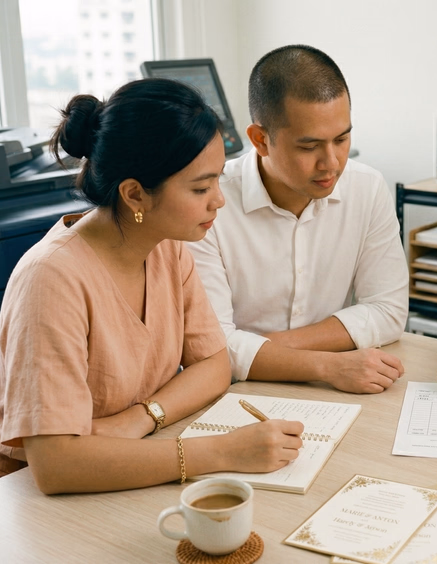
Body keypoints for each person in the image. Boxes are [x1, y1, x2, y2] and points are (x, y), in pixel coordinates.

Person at [0, 79, 304, 493]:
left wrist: (140, 418)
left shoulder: (166, 248)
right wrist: (221, 452)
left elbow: (214, 365)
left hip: (137, 459)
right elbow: (57, 465)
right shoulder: (51, 280)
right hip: (36, 498)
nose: (219, 200)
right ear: (134, 195)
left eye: (217, 180)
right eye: (200, 187)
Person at [188, 45, 409, 393]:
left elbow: (389, 311)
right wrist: (326, 364)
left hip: (329, 387)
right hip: (233, 392)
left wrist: (267, 347)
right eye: (309, 147)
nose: (332, 163)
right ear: (261, 140)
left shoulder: (367, 187)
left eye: (342, 139)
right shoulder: (206, 204)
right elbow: (210, 348)